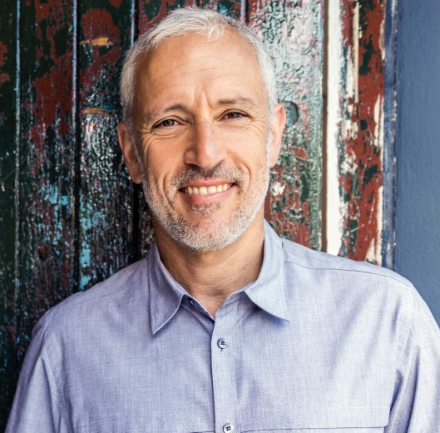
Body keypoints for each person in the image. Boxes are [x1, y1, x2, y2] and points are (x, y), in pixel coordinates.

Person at [6, 7, 440, 433]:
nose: (206, 153)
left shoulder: (386, 322)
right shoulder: (66, 349)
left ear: (273, 136)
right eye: (169, 121)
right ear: (131, 153)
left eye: (232, 114)